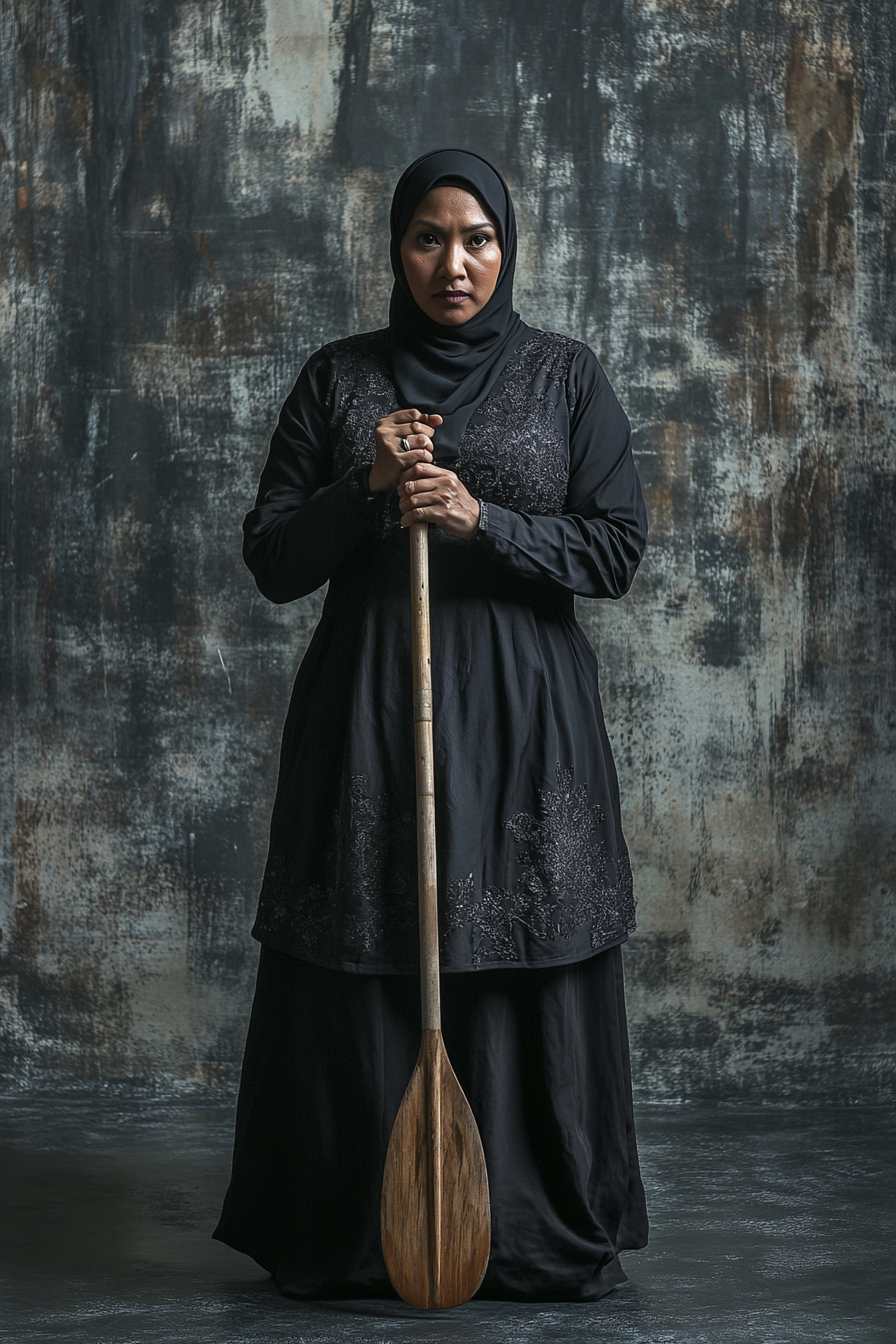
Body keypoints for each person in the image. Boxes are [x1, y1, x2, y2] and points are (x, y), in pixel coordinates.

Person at [213, 147, 649, 1302]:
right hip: (372, 720)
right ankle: (364, 1232)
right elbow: (269, 561)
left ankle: (522, 1227)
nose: (452, 264)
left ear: (507, 250)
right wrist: (361, 489)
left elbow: (613, 548)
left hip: (523, 725)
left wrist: (480, 517)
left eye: (477, 240)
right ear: (395, 248)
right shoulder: (339, 378)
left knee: (523, 942)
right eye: (426, 238)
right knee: (371, 942)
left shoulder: (564, 378)